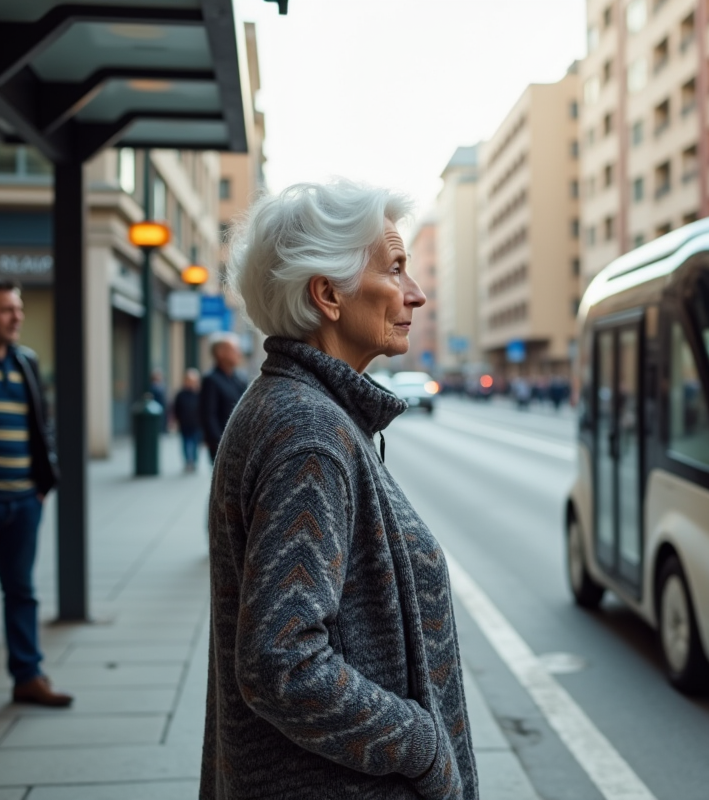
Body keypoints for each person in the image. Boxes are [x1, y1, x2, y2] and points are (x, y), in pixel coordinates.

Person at [202, 180, 477, 798]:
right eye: (396, 268)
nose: (417, 293)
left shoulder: (303, 409)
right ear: (327, 294)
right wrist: (423, 746)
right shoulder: (309, 433)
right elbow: (283, 664)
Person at [0, 280, 73, 732]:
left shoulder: (26, 361)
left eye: (19, 309)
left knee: (22, 592)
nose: (17, 317)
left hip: (23, 500)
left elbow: (41, 426)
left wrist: (43, 482)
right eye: (6, 309)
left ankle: (28, 677)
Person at [199, 334, 247, 460]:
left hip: (242, 444)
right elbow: (208, 416)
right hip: (222, 446)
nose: (239, 353)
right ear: (221, 353)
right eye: (234, 349)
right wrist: (220, 445)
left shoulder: (240, 379)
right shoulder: (211, 380)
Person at [172, 368, 202, 473]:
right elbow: (176, 409)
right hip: (184, 423)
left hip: (196, 423)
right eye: (188, 380)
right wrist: (174, 421)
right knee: (186, 443)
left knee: (194, 443)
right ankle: (188, 461)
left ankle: (193, 461)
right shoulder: (180, 394)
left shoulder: (200, 394)